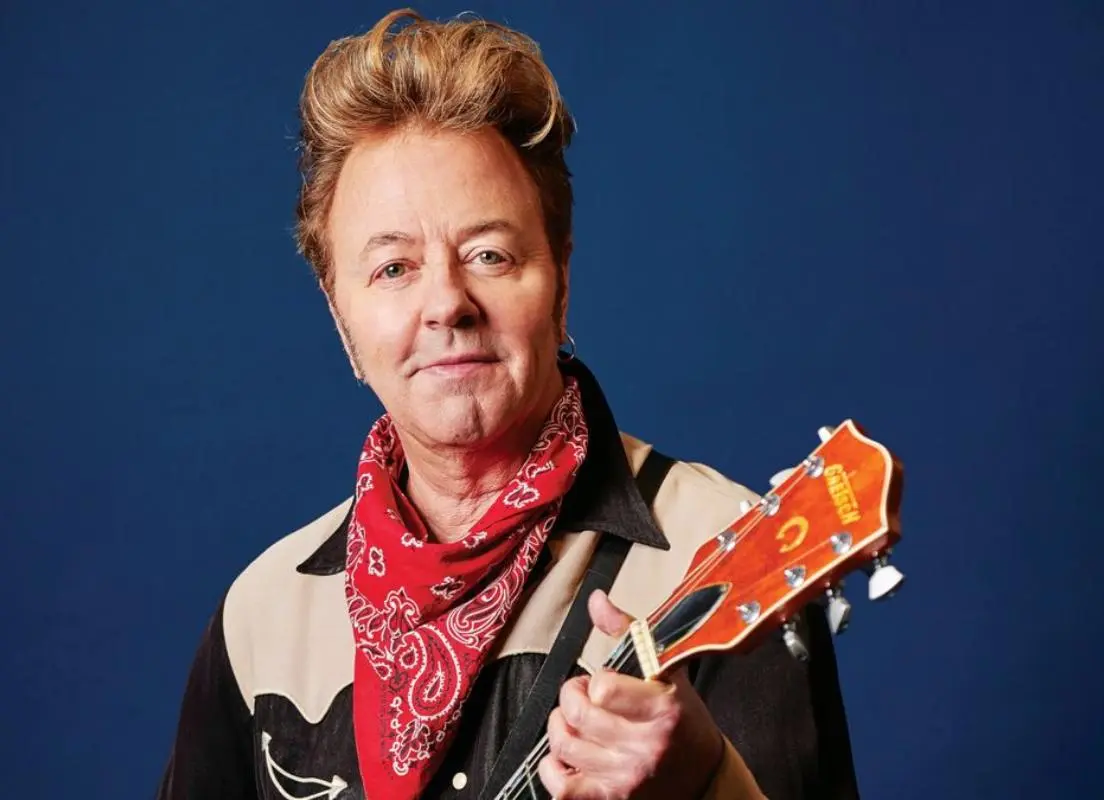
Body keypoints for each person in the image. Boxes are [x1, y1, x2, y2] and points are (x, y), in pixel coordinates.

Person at [156, 8, 859, 799]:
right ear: (339, 316)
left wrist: (704, 780)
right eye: (392, 269)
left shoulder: (717, 551)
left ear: (559, 282)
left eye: (489, 255)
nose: (446, 303)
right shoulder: (265, 615)